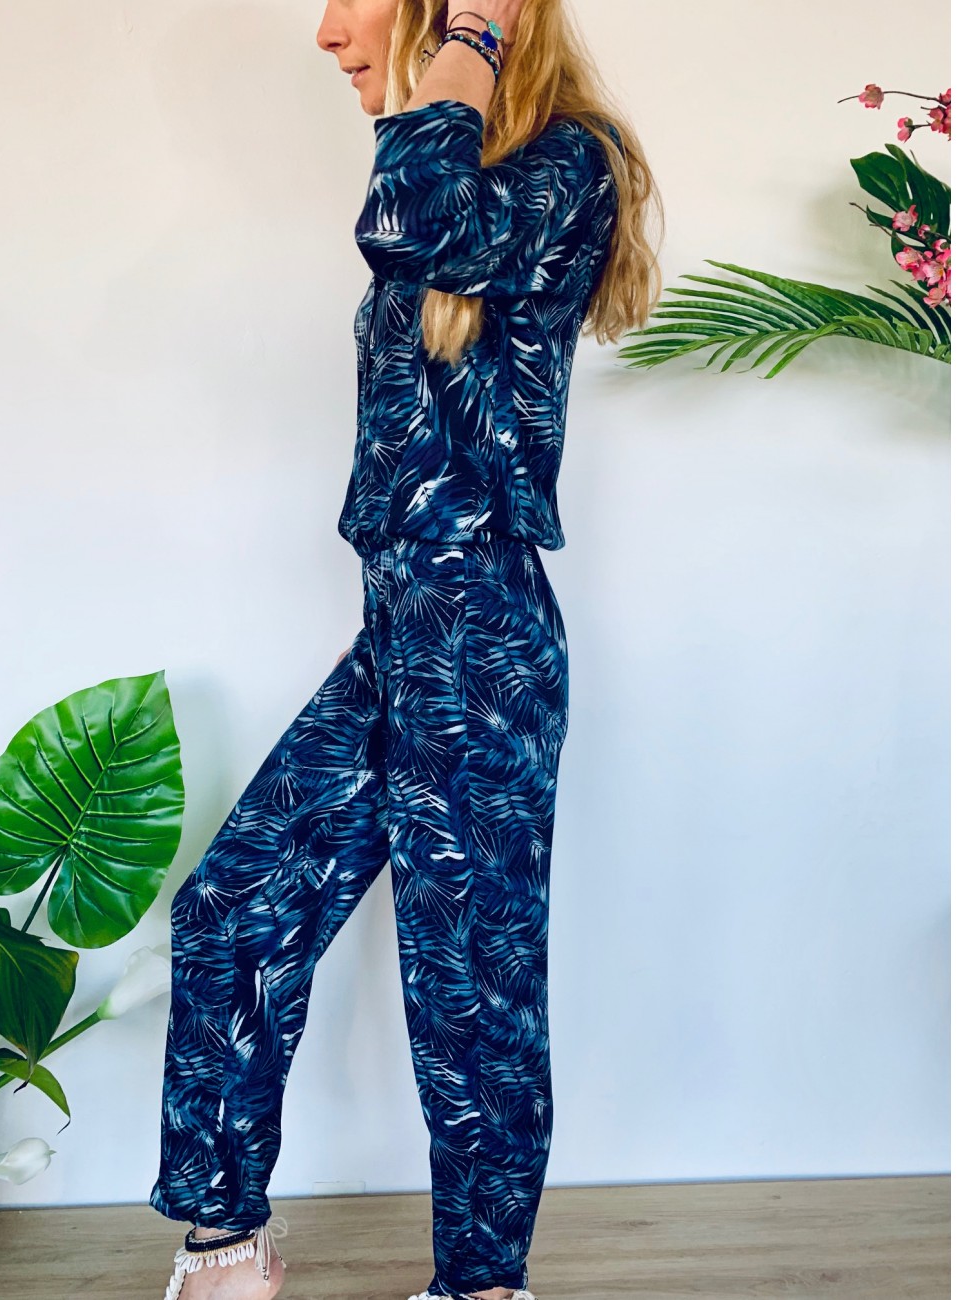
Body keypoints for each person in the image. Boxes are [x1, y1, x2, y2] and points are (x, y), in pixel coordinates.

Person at [150, 2, 662, 1298]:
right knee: (234, 910)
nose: (327, 32)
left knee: (467, 981)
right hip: (402, 633)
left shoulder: (567, 161)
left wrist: (475, 33)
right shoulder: (472, 173)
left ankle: (482, 1284)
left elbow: (411, 220)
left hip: (478, 638)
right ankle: (226, 1248)